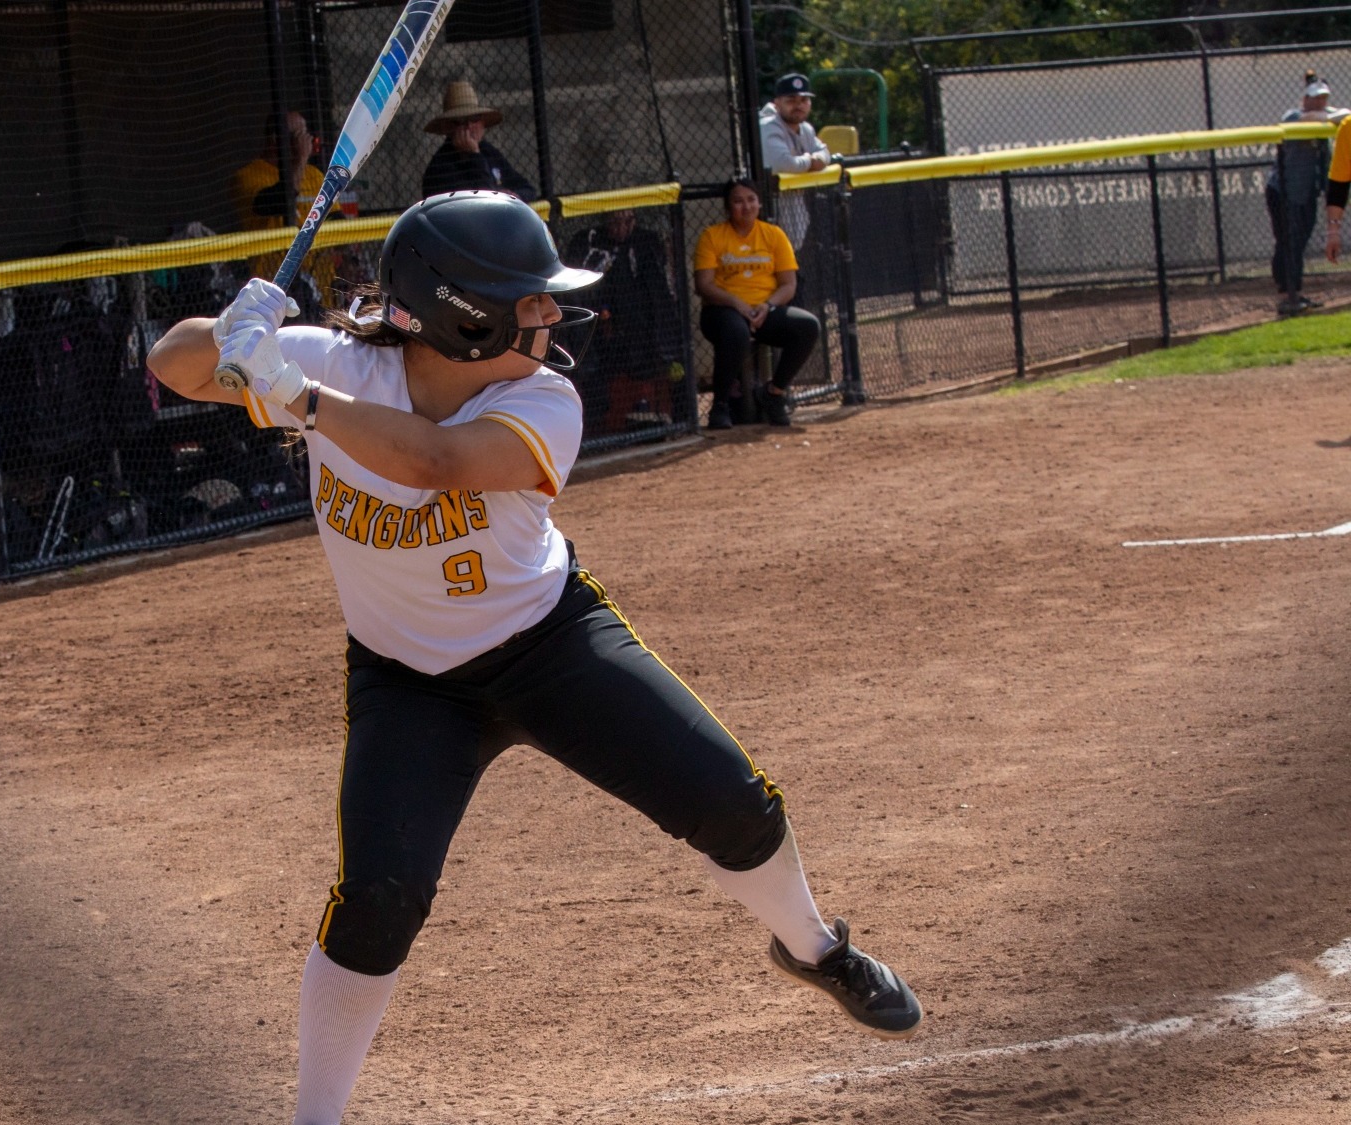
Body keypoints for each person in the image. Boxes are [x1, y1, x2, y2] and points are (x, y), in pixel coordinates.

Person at [147, 189, 921, 1125]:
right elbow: (172, 364)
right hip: (407, 682)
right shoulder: (325, 362)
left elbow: (433, 461)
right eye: (530, 302)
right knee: (377, 898)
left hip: (549, 644)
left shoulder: (542, 398)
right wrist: (237, 330)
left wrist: (296, 397)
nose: (552, 315)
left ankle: (816, 946)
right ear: (459, 317)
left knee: (731, 799)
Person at [694, 179, 819, 430]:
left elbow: (788, 285)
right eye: (738, 201)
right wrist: (737, 304)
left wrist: (767, 306)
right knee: (735, 331)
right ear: (728, 207)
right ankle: (721, 406)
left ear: (759, 203)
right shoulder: (712, 236)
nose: (746, 206)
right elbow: (704, 285)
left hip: (764, 310)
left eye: (751, 200)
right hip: (723, 311)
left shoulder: (774, 235)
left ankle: (773, 393)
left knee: (808, 326)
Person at [562, 209, 685, 432]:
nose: (621, 228)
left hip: (634, 325)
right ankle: (597, 425)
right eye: (615, 222)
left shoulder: (646, 243)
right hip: (598, 321)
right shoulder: (590, 243)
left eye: (627, 221)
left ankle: (663, 416)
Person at [230, 110, 338, 304]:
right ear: (275, 140)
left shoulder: (314, 175)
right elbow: (279, 200)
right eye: (298, 136)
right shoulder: (248, 176)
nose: (306, 141)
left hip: (319, 286)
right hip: (272, 287)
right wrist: (301, 159)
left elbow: (337, 219)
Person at [1270, 71, 1345, 315]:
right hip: (1282, 192)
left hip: (1305, 195)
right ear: (1305, 99)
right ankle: (1286, 295)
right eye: (1315, 98)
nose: (1320, 101)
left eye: (1324, 98)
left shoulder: (1323, 130)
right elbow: (1307, 119)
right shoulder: (1293, 116)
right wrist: (1330, 116)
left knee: (1298, 243)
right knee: (1287, 243)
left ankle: (1295, 293)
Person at [419, 80, 536, 202]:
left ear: (483, 122)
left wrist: (513, 196)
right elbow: (486, 200)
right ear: (448, 127)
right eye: (461, 121)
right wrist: (474, 155)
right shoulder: (441, 168)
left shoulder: (488, 151)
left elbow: (527, 189)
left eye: (474, 118)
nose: (469, 126)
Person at [758, 73, 834, 252]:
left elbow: (825, 153)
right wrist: (810, 161)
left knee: (790, 255)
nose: (798, 105)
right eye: (791, 100)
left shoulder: (806, 128)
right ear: (777, 103)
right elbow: (785, 164)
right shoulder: (768, 125)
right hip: (767, 203)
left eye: (804, 100)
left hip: (792, 202)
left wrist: (816, 160)